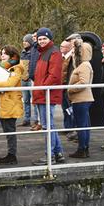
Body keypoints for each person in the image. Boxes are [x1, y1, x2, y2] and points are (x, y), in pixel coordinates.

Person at [31, 27, 65, 165]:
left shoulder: (54, 53)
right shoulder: (42, 53)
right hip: (42, 93)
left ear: (50, 39)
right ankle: (58, 153)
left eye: (44, 38)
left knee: (47, 126)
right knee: (49, 125)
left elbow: (54, 75)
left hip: (46, 94)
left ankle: (49, 155)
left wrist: (42, 88)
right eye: (40, 39)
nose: (42, 41)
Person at [0, 45, 25, 165]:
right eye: (1, 53)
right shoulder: (5, 67)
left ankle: (12, 155)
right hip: (5, 102)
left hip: (11, 102)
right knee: (7, 130)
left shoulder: (16, 68)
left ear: (11, 56)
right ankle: (10, 154)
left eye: (5, 54)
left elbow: (10, 83)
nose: (2, 55)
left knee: (10, 130)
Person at [67, 37, 94, 158]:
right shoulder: (86, 65)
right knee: (84, 125)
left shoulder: (83, 66)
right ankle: (84, 148)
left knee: (82, 125)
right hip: (82, 99)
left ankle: (82, 149)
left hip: (81, 99)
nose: (73, 53)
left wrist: (69, 88)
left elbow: (83, 83)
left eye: (75, 51)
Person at [59, 39, 76, 138]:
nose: (61, 48)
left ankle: (73, 129)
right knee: (65, 108)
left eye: (63, 47)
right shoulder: (61, 57)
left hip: (68, 86)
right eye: (60, 46)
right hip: (62, 87)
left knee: (71, 109)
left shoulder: (71, 58)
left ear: (69, 48)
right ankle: (67, 128)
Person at [19, 34, 37, 128]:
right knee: (25, 100)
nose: (24, 43)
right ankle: (26, 119)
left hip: (30, 79)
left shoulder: (34, 52)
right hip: (23, 79)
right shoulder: (22, 53)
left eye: (26, 41)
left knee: (34, 101)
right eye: (23, 41)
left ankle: (36, 120)